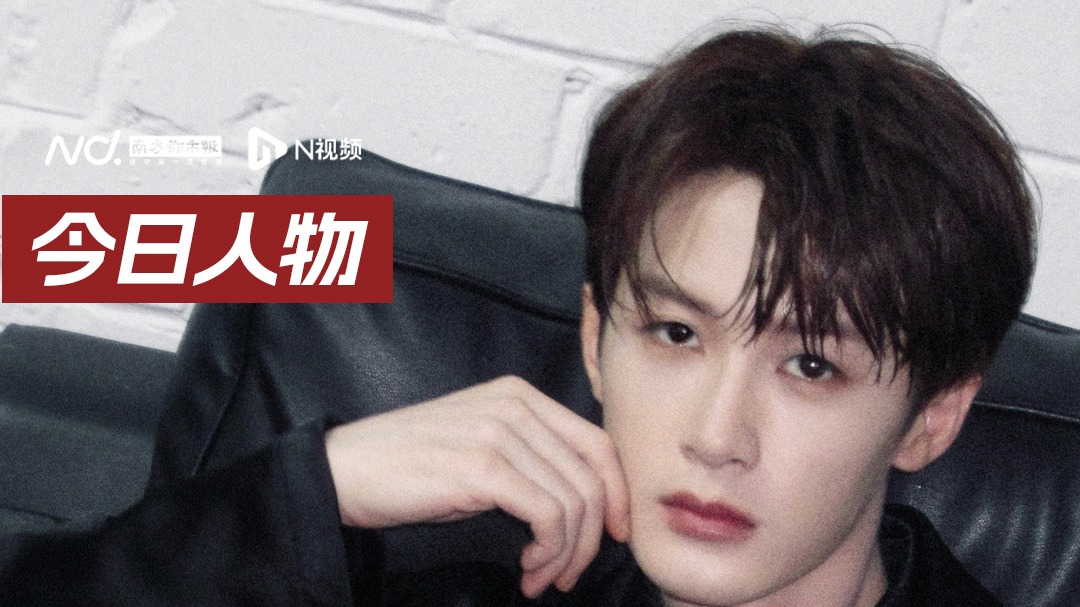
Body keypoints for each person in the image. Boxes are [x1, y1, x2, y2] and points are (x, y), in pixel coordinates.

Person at [0, 25, 1033, 607]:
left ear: (932, 415)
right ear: (595, 339)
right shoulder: (486, 581)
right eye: (676, 333)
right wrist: (319, 487)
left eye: (811, 366)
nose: (718, 436)